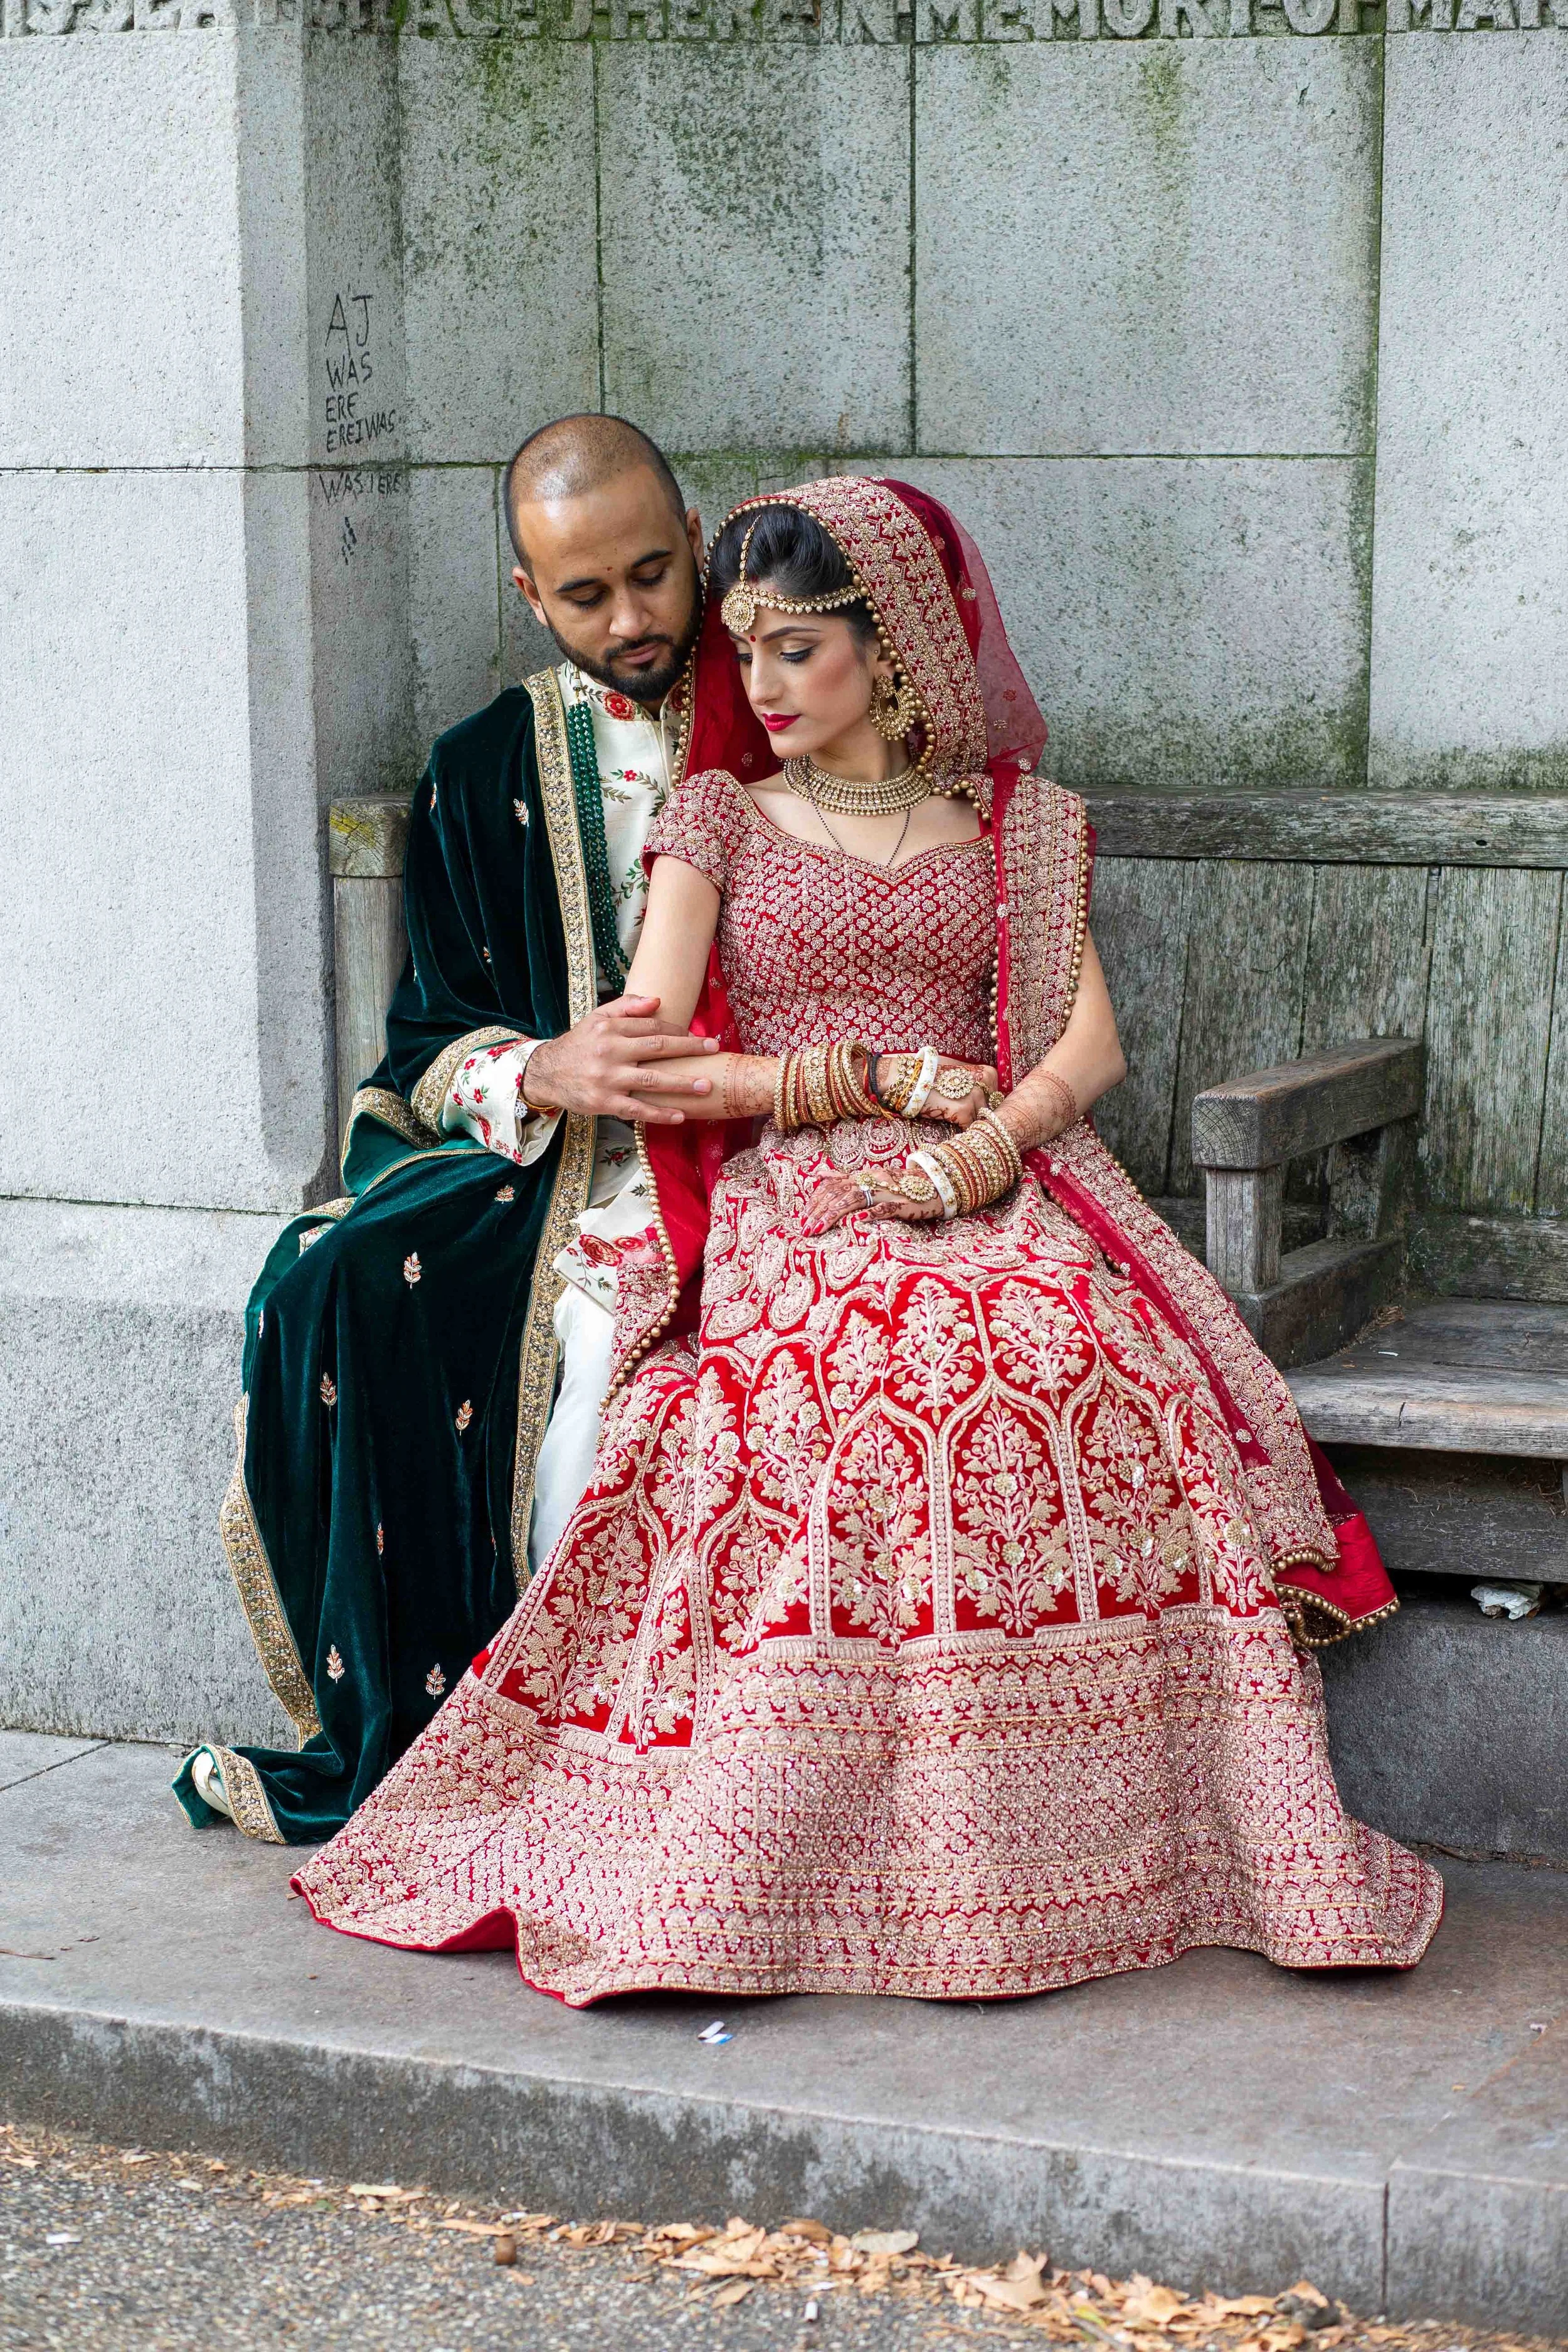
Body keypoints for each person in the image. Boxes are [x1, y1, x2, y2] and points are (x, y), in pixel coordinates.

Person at [292, 476, 1443, 2000]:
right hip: (793, 1178)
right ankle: (822, 1847)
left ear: (890, 649)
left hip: (994, 1165)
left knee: (1075, 1351)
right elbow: (661, 1059)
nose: (752, 686)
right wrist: (852, 1086)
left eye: (793, 652)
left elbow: (1086, 1046)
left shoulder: (1012, 828)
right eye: (744, 652)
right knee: (879, 1387)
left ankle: (1087, 1841)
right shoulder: (716, 817)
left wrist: (977, 1148)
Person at [175, 417, 785, 1845]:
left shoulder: (789, 702)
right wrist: (549, 1070)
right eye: (587, 596)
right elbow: (423, 1052)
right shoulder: (483, 767)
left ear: (696, 543)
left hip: (774, 1146)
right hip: (560, 1166)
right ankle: (425, 1735)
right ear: (527, 594)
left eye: (653, 575)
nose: (631, 621)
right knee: (329, 1278)